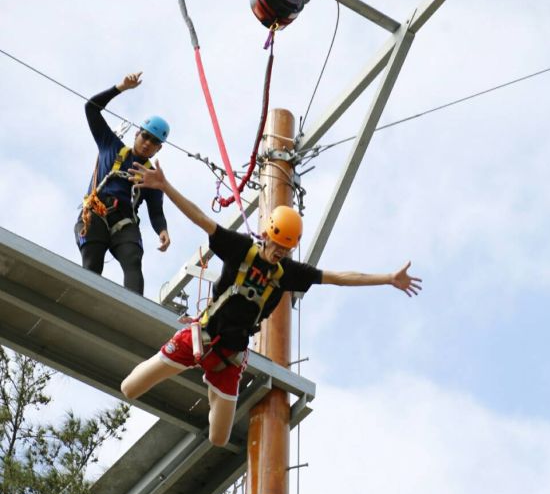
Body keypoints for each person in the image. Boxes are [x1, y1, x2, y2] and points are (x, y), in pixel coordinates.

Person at [120, 161, 422, 447]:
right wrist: (164, 186)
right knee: (129, 388)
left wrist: (388, 278)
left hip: (230, 358)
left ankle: (212, 386)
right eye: (277, 244)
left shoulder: (289, 273)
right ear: (265, 235)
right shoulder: (239, 248)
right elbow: (201, 219)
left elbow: (339, 277)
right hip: (201, 337)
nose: (279, 252)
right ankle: (202, 376)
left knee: (218, 438)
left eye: (286, 248)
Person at [76, 72, 172, 295]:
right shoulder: (110, 145)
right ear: (137, 133)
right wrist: (120, 88)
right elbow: (91, 108)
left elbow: (155, 211)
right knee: (93, 260)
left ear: (159, 148)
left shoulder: (151, 176)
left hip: (124, 221)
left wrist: (162, 230)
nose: (147, 144)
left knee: (133, 260)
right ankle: (85, 298)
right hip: (96, 211)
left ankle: (133, 308)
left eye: (154, 142)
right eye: (145, 136)